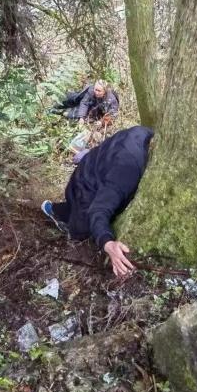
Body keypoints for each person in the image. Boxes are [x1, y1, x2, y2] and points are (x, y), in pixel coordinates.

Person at [41, 126, 153, 277]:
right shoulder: (127, 170)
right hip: (85, 183)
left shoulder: (144, 132)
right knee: (82, 227)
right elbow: (99, 210)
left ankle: (65, 210)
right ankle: (59, 214)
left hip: (91, 167)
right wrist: (107, 242)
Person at [49, 80, 119, 122]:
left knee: (72, 114)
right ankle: (55, 105)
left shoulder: (111, 100)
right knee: (71, 99)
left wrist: (101, 122)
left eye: (99, 91)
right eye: (95, 89)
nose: (96, 92)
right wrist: (81, 117)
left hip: (97, 110)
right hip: (91, 102)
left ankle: (59, 112)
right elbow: (85, 102)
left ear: (104, 91)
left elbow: (112, 116)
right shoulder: (92, 90)